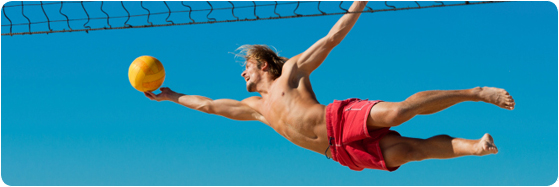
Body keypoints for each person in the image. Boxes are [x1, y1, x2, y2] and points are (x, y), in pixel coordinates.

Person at [144, 1, 515, 171]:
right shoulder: (255, 108)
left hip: (340, 121)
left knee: (402, 110)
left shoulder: (291, 73)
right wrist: (171, 96)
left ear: (261, 66)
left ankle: (476, 93)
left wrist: (360, 2)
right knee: (410, 152)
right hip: (338, 153)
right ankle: (476, 147)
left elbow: (331, 37)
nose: (242, 76)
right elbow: (208, 104)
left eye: (246, 69)